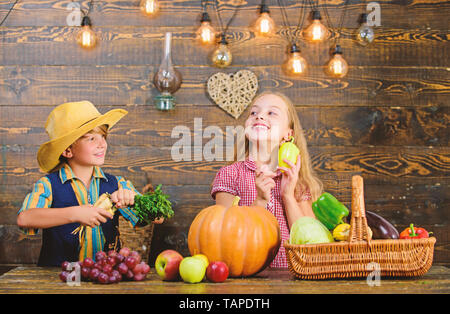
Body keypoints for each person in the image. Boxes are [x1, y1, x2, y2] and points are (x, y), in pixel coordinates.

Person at [16, 101, 159, 266]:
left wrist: (135, 199)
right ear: (68, 150)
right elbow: (25, 218)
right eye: (92, 138)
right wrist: (75, 214)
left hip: (104, 279)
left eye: (103, 137)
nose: (102, 144)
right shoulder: (48, 184)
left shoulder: (117, 183)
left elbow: (158, 217)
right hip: (58, 280)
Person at [211, 91, 323, 268]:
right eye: (253, 113)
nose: (259, 116)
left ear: (288, 134)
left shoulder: (298, 182)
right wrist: (260, 203)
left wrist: (288, 196)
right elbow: (221, 237)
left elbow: (310, 245)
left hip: (291, 276)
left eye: (272, 113)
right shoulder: (230, 174)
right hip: (245, 278)